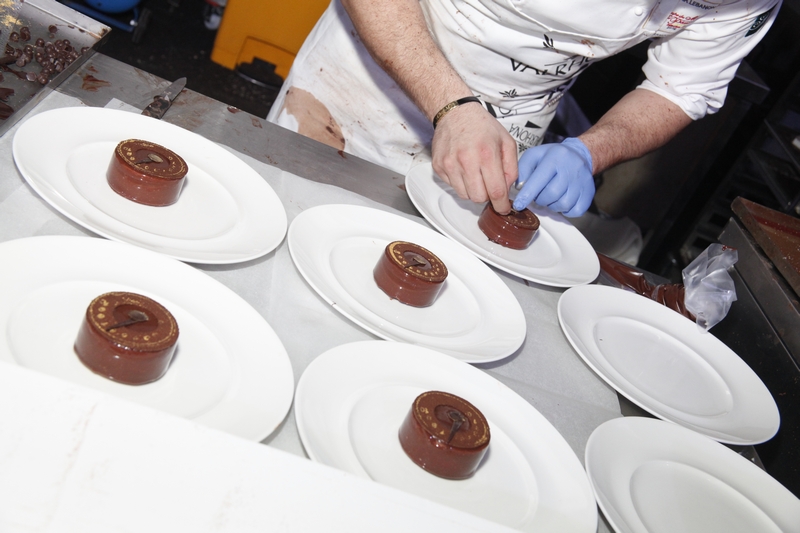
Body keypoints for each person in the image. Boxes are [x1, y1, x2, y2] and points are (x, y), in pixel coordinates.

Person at [267, 0, 781, 217]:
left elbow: (679, 87)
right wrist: (451, 105)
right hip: (373, 71)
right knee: (294, 214)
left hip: (518, 114)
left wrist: (586, 152)